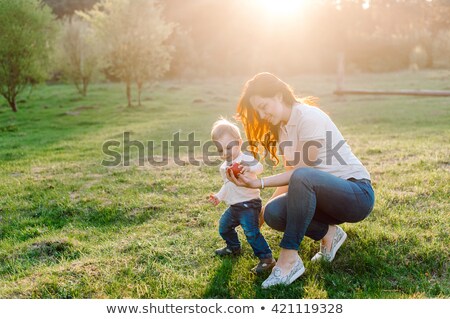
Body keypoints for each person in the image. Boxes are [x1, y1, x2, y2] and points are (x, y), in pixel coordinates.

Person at [226, 72, 375, 289]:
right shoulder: (283, 128)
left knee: (303, 175)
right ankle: (330, 235)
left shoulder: (308, 117)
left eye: (263, 106)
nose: (261, 114)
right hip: (322, 198)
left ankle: (289, 261)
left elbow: (301, 173)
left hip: (356, 195)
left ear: (278, 95)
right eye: (257, 110)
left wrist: (258, 183)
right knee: (273, 213)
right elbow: (291, 180)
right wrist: (262, 212)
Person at [208, 118, 276, 274]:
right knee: (224, 227)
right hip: (235, 206)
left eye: (229, 147)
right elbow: (227, 184)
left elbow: (259, 167)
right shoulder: (224, 167)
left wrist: (249, 168)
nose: (225, 153)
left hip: (250, 204)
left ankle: (267, 259)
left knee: (251, 232)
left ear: (239, 143)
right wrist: (219, 196)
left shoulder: (245, 159)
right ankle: (233, 247)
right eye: (220, 150)